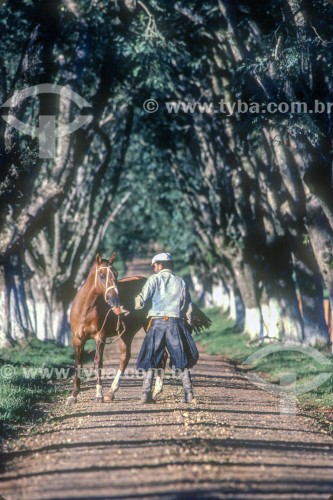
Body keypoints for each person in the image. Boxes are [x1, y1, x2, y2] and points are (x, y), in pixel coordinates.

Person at [135, 252, 199, 404]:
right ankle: (189, 394)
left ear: (161, 265)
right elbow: (187, 306)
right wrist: (188, 322)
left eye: (154, 265)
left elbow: (141, 301)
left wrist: (136, 305)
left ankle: (145, 394)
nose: (153, 268)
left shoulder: (153, 280)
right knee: (181, 359)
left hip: (157, 325)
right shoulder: (180, 281)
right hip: (175, 324)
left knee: (151, 357)